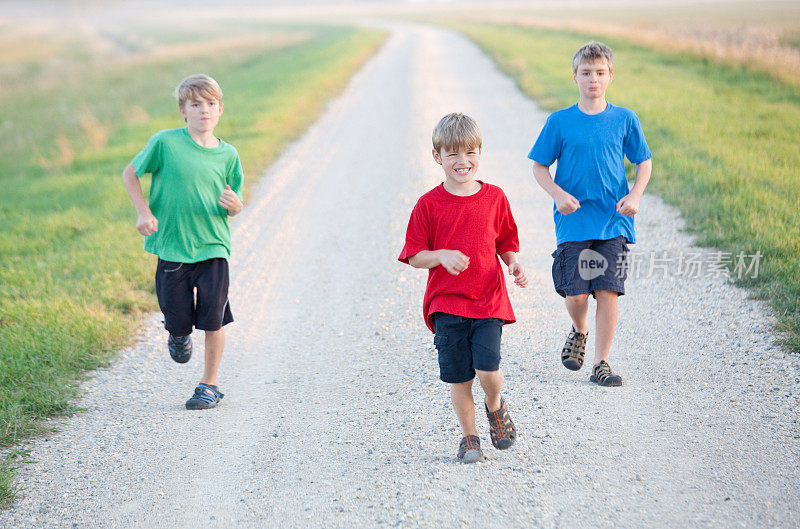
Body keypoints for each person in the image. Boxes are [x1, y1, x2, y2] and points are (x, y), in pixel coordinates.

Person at [399, 113, 528, 463]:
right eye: (453, 153)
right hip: (446, 305)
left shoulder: (494, 197)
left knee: (488, 369)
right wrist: (439, 255)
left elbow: (505, 240)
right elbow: (413, 256)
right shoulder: (428, 205)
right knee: (459, 379)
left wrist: (513, 262)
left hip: (488, 300)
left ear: (480, 153)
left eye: (469, 152)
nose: (462, 161)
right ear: (437, 156)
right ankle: (470, 439)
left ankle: (495, 405)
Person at [529, 41, 652, 387]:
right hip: (574, 220)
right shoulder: (560, 121)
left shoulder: (625, 119)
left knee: (609, 289)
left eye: (600, 73)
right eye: (586, 73)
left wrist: (635, 194)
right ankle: (580, 328)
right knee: (578, 295)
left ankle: (602, 363)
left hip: (613, 219)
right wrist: (558, 193)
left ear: (610, 76)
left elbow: (644, 162)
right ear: (575, 77)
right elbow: (539, 166)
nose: (593, 79)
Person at [122, 74, 244, 409]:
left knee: (214, 318)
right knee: (178, 319)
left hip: (213, 247)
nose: (203, 110)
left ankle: (209, 385)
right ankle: (177, 334)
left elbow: (236, 201)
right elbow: (130, 173)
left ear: (219, 110)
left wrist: (236, 206)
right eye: (195, 104)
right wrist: (142, 212)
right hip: (173, 246)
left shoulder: (228, 155)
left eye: (210, 104)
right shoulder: (165, 143)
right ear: (183, 110)